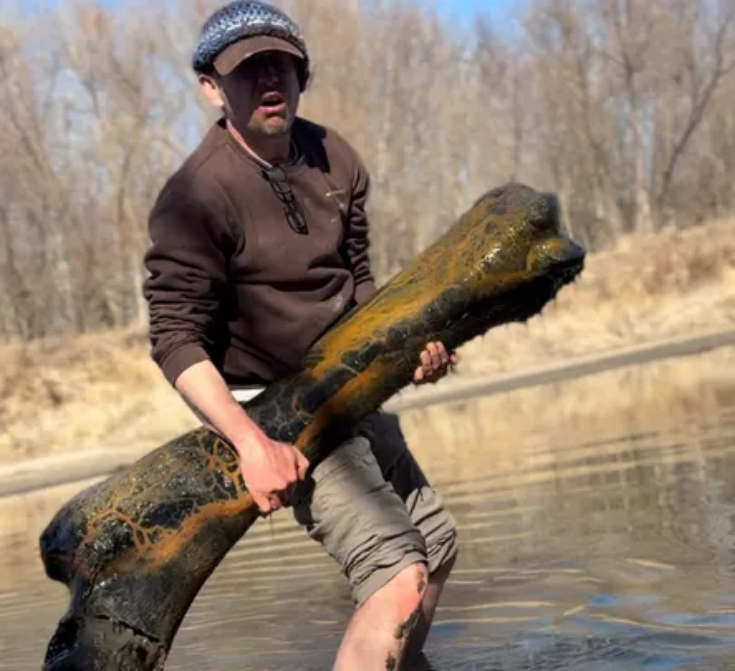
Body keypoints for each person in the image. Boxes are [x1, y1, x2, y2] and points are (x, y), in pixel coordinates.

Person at [142, 2, 459, 669]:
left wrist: (410, 349)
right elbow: (175, 340)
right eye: (248, 69)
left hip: (352, 382)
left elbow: (362, 285)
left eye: (280, 65)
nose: (268, 81)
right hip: (276, 407)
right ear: (210, 84)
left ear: (301, 73)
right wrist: (252, 442)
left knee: (434, 539)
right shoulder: (195, 198)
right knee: (396, 571)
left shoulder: (333, 158)